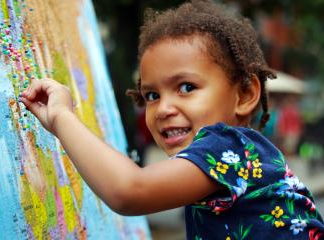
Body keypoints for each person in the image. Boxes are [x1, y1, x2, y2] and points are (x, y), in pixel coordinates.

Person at [20, 0, 324, 239]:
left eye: (186, 87)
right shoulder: (223, 165)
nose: (163, 108)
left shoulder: (228, 148)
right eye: (151, 95)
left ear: (244, 95)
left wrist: (62, 117)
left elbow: (129, 190)